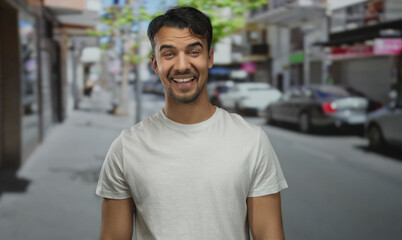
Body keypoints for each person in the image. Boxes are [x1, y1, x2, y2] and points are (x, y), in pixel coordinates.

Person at [96, 6, 288, 240]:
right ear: (155, 64)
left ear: (210, 58)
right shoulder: (126, 147)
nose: (182, 65)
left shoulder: (252, 141)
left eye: (193, 51)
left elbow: (269, 235)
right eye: (168, 54)